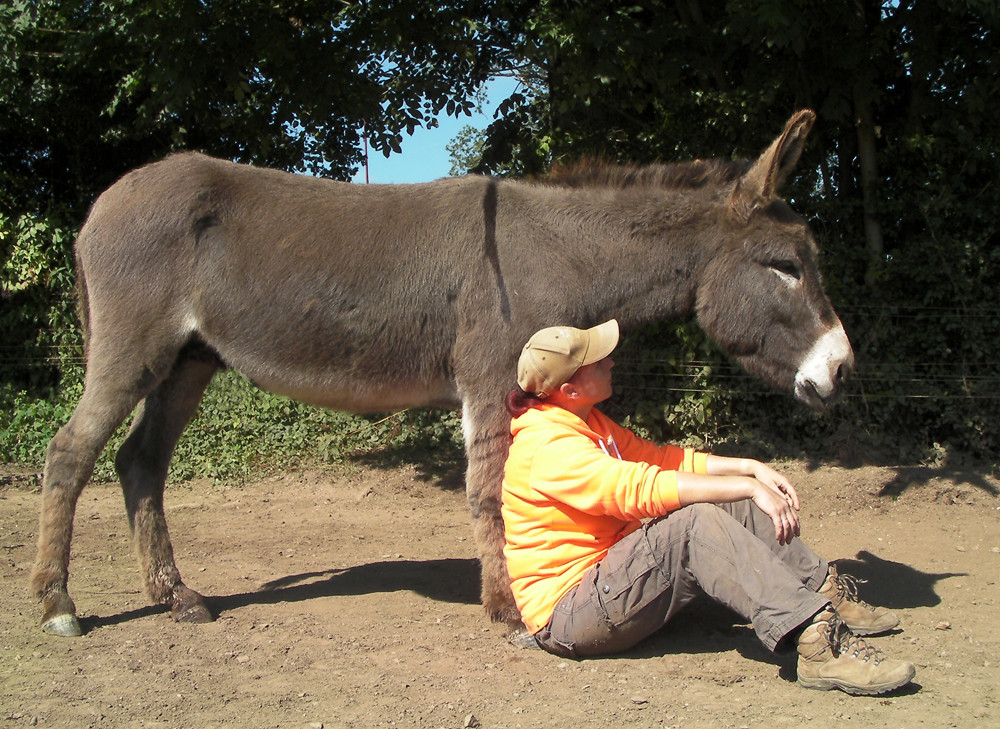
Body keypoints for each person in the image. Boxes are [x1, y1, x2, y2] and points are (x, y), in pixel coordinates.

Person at [501, 319, 915, 695]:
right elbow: (635, 488)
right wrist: (743, 487)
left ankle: (821, 591)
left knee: (730, 497)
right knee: (694, 521)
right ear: (569, 390)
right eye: (597, 362)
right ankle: (817, 642)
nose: (610, 362)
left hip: (607, 584)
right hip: (570, 614)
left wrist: (748, 471)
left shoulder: (587, 422)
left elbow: (659, 459)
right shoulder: (547, 446)